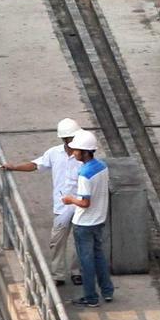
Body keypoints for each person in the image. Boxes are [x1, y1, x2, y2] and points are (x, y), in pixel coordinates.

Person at [2, 119, 84, 284]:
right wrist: (15, 167)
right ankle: (58, 274)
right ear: (65, 139)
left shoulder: (84, 155)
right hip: (62, 207)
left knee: (81, 240)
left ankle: (77, 272)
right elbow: (36, 165)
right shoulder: (54, 153)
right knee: (57, 242)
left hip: (81, 206)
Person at [62, 130, 114, 307]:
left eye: (76, 150)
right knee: (99, 256)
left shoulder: (84, 173)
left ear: (84, 152)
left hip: (83, 223)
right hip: (99, 220)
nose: (73, 152)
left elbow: (84, 203)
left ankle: (91, 297)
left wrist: (70, 199)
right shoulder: (102, 167)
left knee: (86, 262)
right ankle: (107, 291)